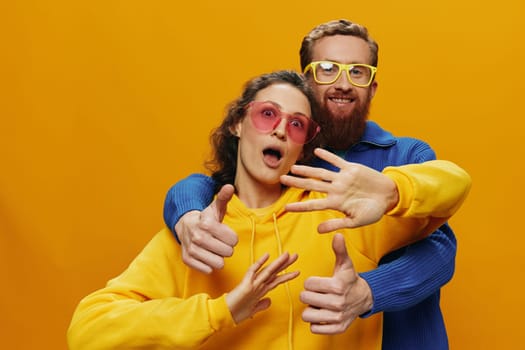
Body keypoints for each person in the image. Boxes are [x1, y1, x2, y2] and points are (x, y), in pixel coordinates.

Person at [67, 70, 471, 350]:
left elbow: (455, 184)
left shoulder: (335, 215)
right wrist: (220, 312)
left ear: (304, 145)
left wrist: (390, 190)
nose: (280, 128)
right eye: (267, 115)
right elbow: (88, 332)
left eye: (296, 124)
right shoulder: (199, 236)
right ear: (237, 124)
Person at [163, 19, 460, 349]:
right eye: (327, 69)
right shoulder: (288, 153)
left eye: (357, 72)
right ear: (307, 81)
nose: (343, 83)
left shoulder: (405, 154)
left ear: (372, 87)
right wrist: (186, 213)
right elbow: (217, 184)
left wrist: (369, 291)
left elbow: (441, 248)